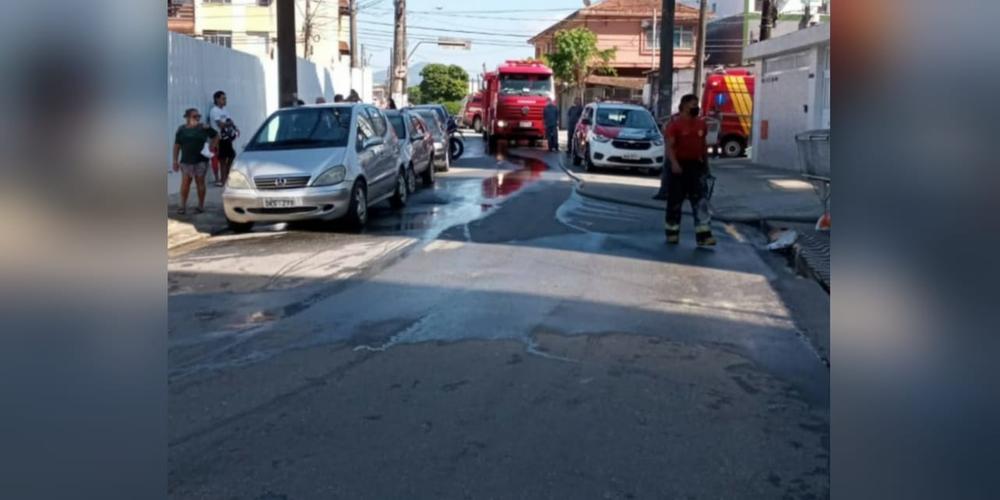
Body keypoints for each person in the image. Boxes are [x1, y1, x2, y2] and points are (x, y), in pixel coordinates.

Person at [663, 94, 715, 247]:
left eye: (696, 104)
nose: (696, 107)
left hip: (696, 167)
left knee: (700, 202)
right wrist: (674, 164)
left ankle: (704, 236)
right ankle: (672, 233)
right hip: (678, 167)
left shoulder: (701, 125)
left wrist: (706, 166)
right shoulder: (675, 125)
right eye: (693, 104)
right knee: (675, 202)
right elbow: (670, 147)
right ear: (684, 105)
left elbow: (703, 147)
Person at [173, 108, 218, 215]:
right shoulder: (181, 129)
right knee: (185, 183)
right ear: (187, 118)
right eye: (194, 116)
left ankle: (201, 206)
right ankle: (182, 205)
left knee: (200, 182)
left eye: (199, 116)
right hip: (186, 161)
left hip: (201, 160)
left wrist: (211, 147)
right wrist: (175, 160)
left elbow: (216, 136)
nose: (197, 118)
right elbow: (177, 145)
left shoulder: (203, 127)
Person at [209, 90, 235, 187]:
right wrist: (229, 124)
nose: (225, 100)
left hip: (227, 137)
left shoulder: (224, 110)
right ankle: (222, 180)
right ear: (217, 99)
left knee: (232, 156)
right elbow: (220, 125)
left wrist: (229, 124)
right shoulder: (214, 111)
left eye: (225, 98)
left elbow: (229, 120)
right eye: (223, 98)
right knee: (222, 160)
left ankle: (226, 176)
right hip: (219, 138)